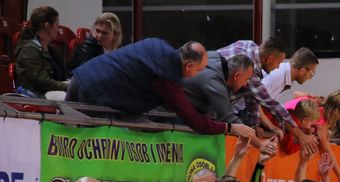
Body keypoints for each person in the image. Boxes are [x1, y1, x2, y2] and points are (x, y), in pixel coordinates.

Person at [66, 38, 254, 140]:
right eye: (199, 70)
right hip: (93, 94)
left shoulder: (157, 43)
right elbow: (195, 122)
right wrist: (230, 127)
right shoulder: (168, 79)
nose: (199, 74)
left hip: (80, 76)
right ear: (188, 65)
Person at [218, 38, 318, 156]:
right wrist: (298, 134)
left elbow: (254, 98)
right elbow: (266, 102)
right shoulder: (264, 73)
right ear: (270, 58)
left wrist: (255, 124)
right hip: (222, 108)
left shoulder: (248, 45)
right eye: (278, 62)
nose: (277, 67)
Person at [285, 90, 340, 182]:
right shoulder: (321, 119)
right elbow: (327, 150)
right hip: (282, 125)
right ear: (335, 110)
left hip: (283, 119)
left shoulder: (316, 101)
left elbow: (296, 94)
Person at [14, 6, 67, 98]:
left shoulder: (51, 49)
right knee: (68, 96)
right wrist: (68, 86)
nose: (58, 30)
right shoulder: (29, 49)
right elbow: (43, 82)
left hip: (50, 92)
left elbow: (61, 75)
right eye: (56, 25)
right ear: (47, 26)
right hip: (36, 95)